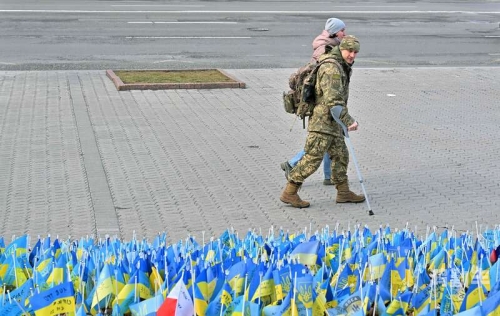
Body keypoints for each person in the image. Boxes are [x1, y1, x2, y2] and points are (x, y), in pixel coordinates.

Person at [280, 35, 365, 208]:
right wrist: (348, 121)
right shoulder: (331, 69)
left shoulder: (341, 65)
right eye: (350, 51)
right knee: (312, 159)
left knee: (341, 156)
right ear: (341, 49)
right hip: (323, 123)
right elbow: (333, 100)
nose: (352, 55)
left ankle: (343, 192)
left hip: (333, 123)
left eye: (355, 52)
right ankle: (289, 192)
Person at [280, 18, 347, 186]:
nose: (344, 33)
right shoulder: (327, 48)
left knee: (328, 140)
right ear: (334, 32)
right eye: (342, 31)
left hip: (324, 99)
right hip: (324, 101)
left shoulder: (325, 43)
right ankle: (293, 164)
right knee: (320, 141)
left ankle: (328, 175)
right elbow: (325, 75)